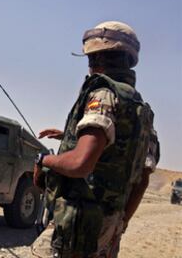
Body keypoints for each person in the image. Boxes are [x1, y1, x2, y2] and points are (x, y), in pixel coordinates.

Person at [32, 21, 160, 258]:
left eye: (91, 59)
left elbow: (81, 164)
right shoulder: (142, 112)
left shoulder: (103, 95)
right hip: (110, 225)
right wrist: (119, 224)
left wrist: (44, 159)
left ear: (97, 59)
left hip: (79, 226)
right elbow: (140, 177)